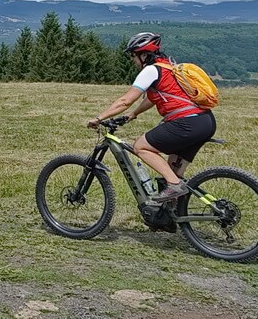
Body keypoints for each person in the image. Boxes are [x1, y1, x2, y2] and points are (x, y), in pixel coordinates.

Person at [86, 32, 216, 202]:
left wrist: (99, 118)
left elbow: (125, 101)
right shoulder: (168, 67)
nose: (133, 61)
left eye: (134, 56)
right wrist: (134, 114)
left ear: (144, 55)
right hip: (205, 121)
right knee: (172, 172)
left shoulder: (151, 70)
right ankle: (170, 217)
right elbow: (152, 97)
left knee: (141, 147)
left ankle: (174, 185)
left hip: (187, 123)